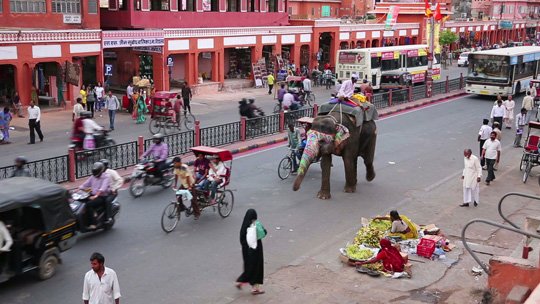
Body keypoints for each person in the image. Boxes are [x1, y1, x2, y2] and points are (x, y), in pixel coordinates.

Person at [236, 209, 265, 295]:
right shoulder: (255, 226)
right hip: (256, 251)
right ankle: (255, 288)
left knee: (248, 268)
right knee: (257, 269)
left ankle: (240, 282)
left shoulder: (244, 227)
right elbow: (264, 233)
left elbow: (242, 240)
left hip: (246, 252)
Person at [78, 162, 111, 227]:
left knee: (88, 204)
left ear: (101, 171)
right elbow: (86, 184)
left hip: (102, 196)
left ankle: (94, 221)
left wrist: (96, 196)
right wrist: (78, 189)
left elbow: (103, 188)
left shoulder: (106, 177)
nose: (95, 174)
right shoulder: (93, 176)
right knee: (81, 202)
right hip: (93, 194)